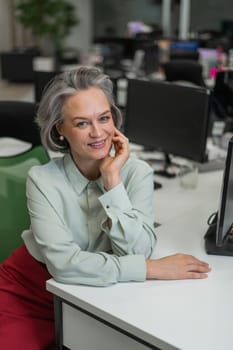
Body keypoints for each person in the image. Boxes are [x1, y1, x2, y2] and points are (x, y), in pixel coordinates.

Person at [0, 66, 211, 349]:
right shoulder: (42, 179)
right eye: (82, 123)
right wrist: (149, 269)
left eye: (104, 118)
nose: (98, 133)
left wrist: (112, 182)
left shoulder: (137, 173)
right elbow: (64, 267)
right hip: (29, 289)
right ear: (60, 129)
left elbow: (137, 251)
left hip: (94, 296)